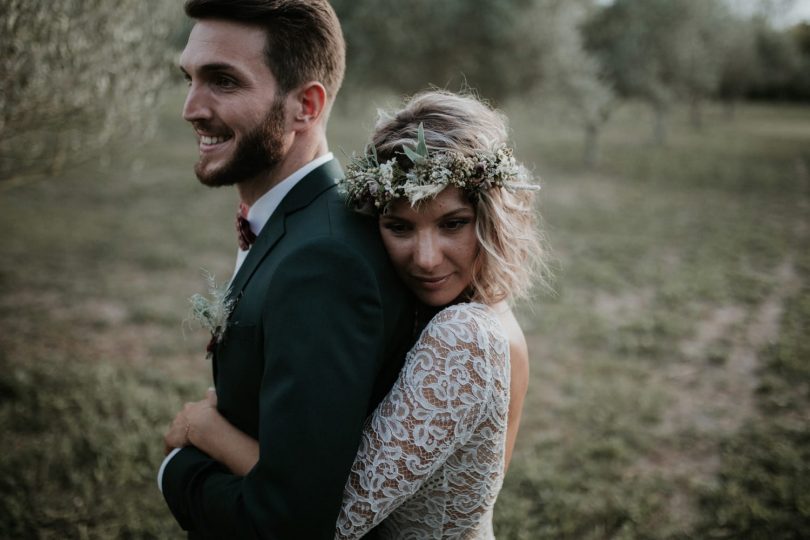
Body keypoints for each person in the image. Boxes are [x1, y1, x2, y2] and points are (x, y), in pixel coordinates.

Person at [170, 90, 548, 538]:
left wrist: (205, 428)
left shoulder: (466, 334)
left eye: (452, 223)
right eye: (399, 227)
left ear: (491, 216)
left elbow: (331, 515)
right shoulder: (474, 309)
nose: (426, 258)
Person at [158, 1, 415, 538]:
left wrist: (174, 471)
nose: (191, 107)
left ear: (306, 105)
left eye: (223, 82)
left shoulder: (326, 262)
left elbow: (286, 521)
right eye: (190, 78)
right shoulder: (296, 221)